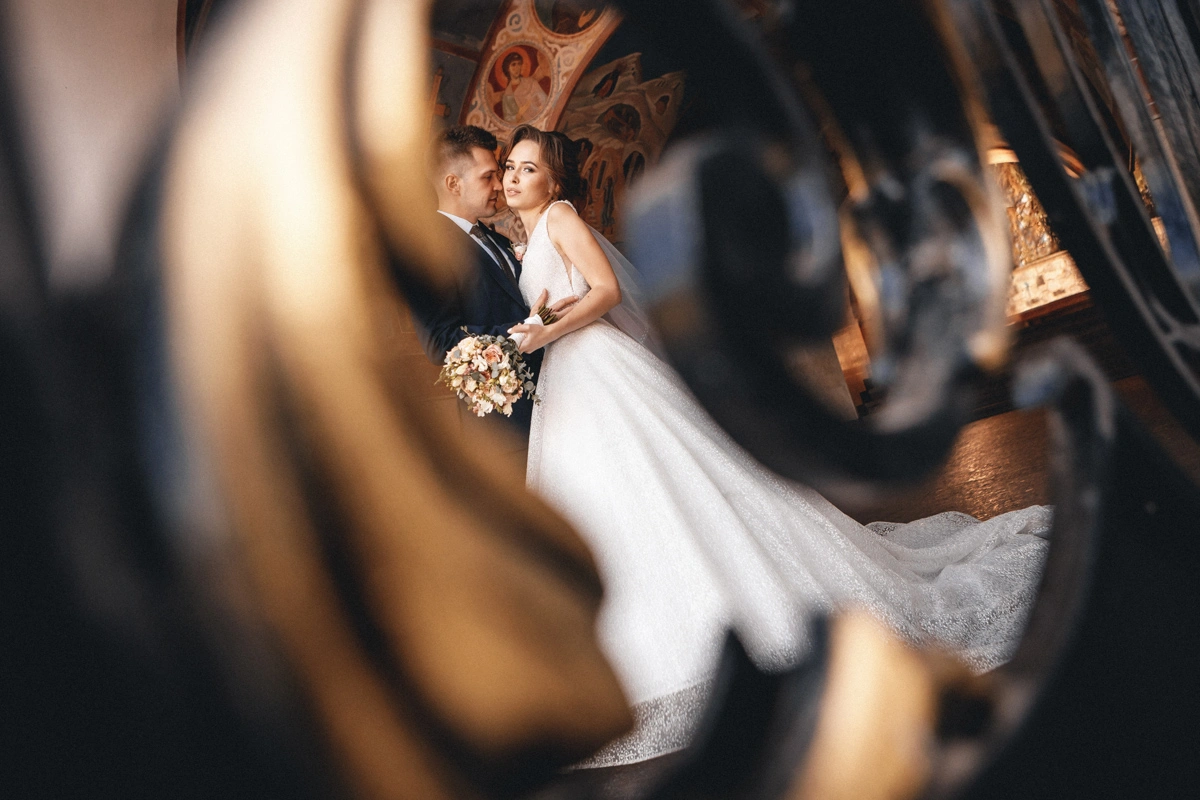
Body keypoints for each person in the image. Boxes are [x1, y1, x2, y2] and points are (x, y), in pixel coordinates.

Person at [502, 124, 1052, 765]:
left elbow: (608, 291)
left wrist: (544, 332)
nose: (514, 177)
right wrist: (539, 326)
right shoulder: (529, 239)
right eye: (510, 167)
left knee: (656, 479)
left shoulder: (563, 218)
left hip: (596, 367)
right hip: (575, 379)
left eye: (527, 167)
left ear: (554, 180)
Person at [403, 124, 573, 436]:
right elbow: (440, 343)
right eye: (488, 177)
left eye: (499, 173)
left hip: (554, 403)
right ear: (454, 183)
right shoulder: (428, 252)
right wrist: (530, 327)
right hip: (501, 421)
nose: (500, 184)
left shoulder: (498, 240)